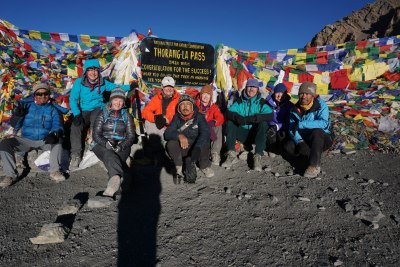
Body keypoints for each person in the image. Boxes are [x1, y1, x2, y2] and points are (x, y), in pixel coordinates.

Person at [0, 83, 67, 188]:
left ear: (49, 95)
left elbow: (58, 125)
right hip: (26, 139)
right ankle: (10, 175)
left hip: (45, 140)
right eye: (39, 94)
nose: (42, 96)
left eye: (45, 93)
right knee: (5, 143)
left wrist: (54, 134)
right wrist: (18, 115)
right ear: (35, 95)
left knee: (58, 141)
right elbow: (15, 125)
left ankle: (54, 171)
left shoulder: (54, 109)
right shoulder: (26, 106)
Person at [69, 59, 131, 168]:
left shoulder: (103, 82)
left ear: (99, 71)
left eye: (96, 70)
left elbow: (116, 87)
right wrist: (76, 113)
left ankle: (94, 146)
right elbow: (73, 99)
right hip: (83, 110)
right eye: (90, 70)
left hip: (98, 107)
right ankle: (76, 154)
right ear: (86, 72)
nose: (93, 73)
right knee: (75, 126)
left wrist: (131, 86)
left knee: (97, 121)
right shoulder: (79, 82)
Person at [91, 88, 136, 197]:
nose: (118, 103)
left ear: (123, 103)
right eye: (116, 100)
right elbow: (96, 134)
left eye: (121, 101)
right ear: (111, 101)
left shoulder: (127, 116)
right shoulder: (103, 114)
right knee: (109, 154)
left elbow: (131, 136)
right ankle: (116, 181)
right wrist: (106, 143)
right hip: (102, 145)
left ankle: (115, 184)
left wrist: (121, 146)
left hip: (122, 146)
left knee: (115, 159)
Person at [221, 78, 273, 171]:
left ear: (257, 89)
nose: (251, 89)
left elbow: (269, 115)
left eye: (254, 87)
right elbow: (229, 113)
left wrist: (255, 118)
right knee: (231, 122)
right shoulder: (239, 101)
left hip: (255, 135)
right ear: (245, 88)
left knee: (263, 123)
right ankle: (231, 153)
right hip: (242, 133)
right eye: (249, 86)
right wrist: (238, 118)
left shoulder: (261, 102)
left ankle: (257, 156)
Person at [284, 81, 333, 178]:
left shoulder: (321, 105)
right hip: (305, 138)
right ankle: (309, 155)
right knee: (288, 146)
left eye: (307, 94)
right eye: (301, 93)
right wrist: (300, 142)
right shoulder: (295, 109)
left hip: (322, 138)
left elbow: (324, 123)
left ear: (313, 95)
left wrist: (301, 124)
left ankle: (314, 165)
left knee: (317, 132)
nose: (304, 96)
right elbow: (291, 127)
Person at [164, 94, 212, 184]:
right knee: (171, 143)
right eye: (182, 104)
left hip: (197, 148)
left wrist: (197, 147)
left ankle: (203, 166)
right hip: (184, 148)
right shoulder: (176, 118)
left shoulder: (199, 117)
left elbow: (206, 133)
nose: (185, 107)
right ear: (179, 107)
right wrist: (179, 136)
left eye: (188, 104)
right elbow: (167, 133)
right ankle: (178, 167)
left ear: (192, 106)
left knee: (205, 141)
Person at [141, 76, 180, 142]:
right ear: (162, 86)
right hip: (159, 127)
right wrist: (157, 118)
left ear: (174, 87)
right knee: (148, 122)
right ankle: (157, 143)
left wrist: (169, 121)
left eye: (171, 87)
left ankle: (162, 143)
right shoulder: (157, 98)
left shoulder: (179, 99)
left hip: (172, 128)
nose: (169, 89)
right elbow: (145, 112)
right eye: (166, 86)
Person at [195, 84, 225, 165]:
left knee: (218, 126)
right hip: (197, 128)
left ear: (211, 96)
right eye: (204, 94)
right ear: (201, 95)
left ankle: (215, 153)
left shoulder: (214, 107)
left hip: (209, 129)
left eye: (208, 94)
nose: (205, 96)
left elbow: (220, 117)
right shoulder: (195, 105)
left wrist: (213, 122)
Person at [265, 83, 294, 157]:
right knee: (269, 132)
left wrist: (277, 126)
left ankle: (282, 148)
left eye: (282, 93)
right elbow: (265, 116)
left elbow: (289, 121)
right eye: (277, 92)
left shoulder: (289, 106)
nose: (279, 95)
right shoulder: (268, 103)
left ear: (285, 94)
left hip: (283, 127)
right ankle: (271, 148)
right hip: (271, 125)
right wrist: (271, 125)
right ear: (274, 93)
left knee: (282, 135)